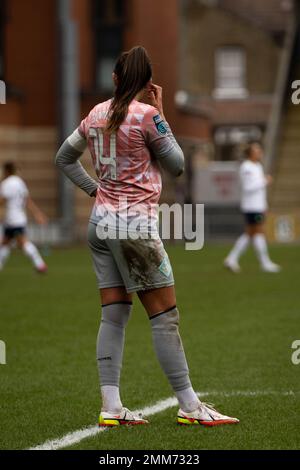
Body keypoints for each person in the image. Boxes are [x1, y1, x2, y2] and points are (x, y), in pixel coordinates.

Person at [56, 46, 239, 427]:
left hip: (99, 225)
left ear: (115, 78)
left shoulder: (95, 113)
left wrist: (94, 190)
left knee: (114, 315)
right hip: (133, 227)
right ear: (146, 82)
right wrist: (162, 111)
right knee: (165, 317)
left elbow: (63, 158)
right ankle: (190, 407)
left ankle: (111, 406)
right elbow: (177, 165)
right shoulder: (147, 116)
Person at [224, 142, 281, 273]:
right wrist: (264, 181)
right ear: (250, 153)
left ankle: (232, 258)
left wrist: (264, 205)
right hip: (252, 207)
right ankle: (265, 263)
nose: (260, 152)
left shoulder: (258, 166)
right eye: (257, 150)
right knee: (258, 232)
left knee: (250, 233)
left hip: (258, 206)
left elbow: (259, 190)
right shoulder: (246, 167)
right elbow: (248, 187)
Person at [0, 161, 48, 273]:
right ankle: (39, 265)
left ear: (6, 170)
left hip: (12, 218)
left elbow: (3, 200)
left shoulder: (7, 183)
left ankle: (40, 264)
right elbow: (27, 200)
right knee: (5, 242)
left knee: (22, 242)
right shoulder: (20, 182)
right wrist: (38, 214)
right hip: (20, 217)